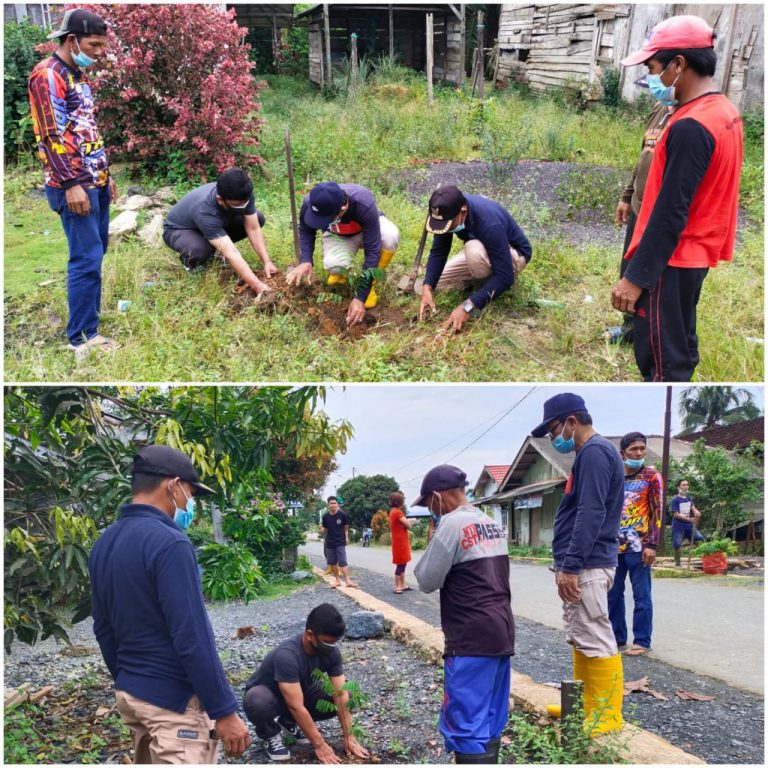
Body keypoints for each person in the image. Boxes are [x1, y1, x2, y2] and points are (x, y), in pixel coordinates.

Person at [88, 445, 251, 763]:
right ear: (173, 485)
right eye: (190, 493)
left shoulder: (104, 543)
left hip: (132, 696)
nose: (190, 504)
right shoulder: (170, 542)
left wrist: (128, 679)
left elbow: (103, 628)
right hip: (171, 705)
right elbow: (191, 636)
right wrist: (225, 711)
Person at [612, 15, 744, 381]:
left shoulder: (690, 126)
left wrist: (636, 278)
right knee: (680, 340)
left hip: (671, 261)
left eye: (653, 67)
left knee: (659, 356)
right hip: (694, 255)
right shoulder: (724, 112)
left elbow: (671, 212)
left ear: (679, 64)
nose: (651, 77)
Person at [530, 393, 625, 735]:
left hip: (587, 565)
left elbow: (591, 512)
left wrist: (570, 566)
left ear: (572, 421)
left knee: (596, 635)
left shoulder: (596, 454)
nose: (554, 438)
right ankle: (587, 705)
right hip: (583, 563)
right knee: (582, 635)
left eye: (554, 428)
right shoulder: (590, 454)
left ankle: (607, 716)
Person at [28, 8, 119, 355]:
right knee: (85, 258)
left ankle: (90, 321)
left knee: (96, 254)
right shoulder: (47, 76)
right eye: (94, 44)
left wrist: (104, 175)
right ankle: (82, 338)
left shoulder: (77, 74)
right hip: (74, 186)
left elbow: (85, 130)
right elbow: (49, 135)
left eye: (101, 44)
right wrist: (70, 184)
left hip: (94, 181)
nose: (99, 51)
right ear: (71, 40)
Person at [413, 465, 514, 764]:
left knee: (466, 723)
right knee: (491, 718)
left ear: (436, 497)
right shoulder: (490, 522)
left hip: (470, 637)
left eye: (428, 504)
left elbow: (426, 580)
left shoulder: (451, 525)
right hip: (501, 632)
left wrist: (434, 536)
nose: (430, 510)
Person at [242, 604, 369, 763]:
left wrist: (349, 735)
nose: (330, 648)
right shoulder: (287, 656)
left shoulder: (331, 651)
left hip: (300, 691)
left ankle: (288, 721)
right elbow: (296, 706)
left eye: (334, 643)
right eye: (326, 643)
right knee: (257, 701)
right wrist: (320, 744)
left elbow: (340, 693)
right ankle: (270, 734)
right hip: (271, 696)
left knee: (348, 693)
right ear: (310, 635)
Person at [285, 182, 400, 327]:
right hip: (339, 235)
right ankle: (341, 273)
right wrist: (306, 260)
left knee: (391, 236)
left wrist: (360, 297)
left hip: (367, 232)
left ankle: (371, 285)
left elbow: (372, 251)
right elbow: (306, 230)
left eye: (325, 218)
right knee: (334, 265)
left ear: (343, 207)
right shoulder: (312, 202)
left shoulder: (363, 201)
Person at [418, 185, 532, 332]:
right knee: (437, 283)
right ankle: (482, 282)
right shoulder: (448, 210)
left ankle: (483, 294)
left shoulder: (489, 223)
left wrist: (467, 306)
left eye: (447, 225)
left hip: (512, 254)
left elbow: (505, 276)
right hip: (481, 248)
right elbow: (439, 251)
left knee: (474, 250)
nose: (444, 229)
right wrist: (427, 287)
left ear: (463, 211)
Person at [607, 99, 673, 345]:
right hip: (638, 206)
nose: (655, 79)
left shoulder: (687, 118)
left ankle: (650, 335)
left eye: (655, 69)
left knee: (653, 275)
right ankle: (631, 329)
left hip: (660, 213)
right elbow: (644, 155)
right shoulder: (659, 109)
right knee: (630, 269)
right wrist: (627, 195)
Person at [163, 168, 276, 296]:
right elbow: (230, 252)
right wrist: (257, 285)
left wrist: (267, 261)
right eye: (237, 204)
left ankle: (213, 246)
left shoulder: (243, 194)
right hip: (180, 230)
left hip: (214, 223)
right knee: (199, 250)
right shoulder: (204, 209)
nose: (243, 206)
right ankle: (191, 264)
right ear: (220, 200)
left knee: (258, 218)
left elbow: (253, 228)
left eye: (245, 203)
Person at [607, 432, 664, 657]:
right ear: (623, 453)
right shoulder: (615, 477)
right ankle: (617, 637)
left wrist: (653, 544)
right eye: (634, 449)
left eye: (642, 448)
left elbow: (658, 510)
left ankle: (642, 640)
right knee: (613, 593)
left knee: (641, 595)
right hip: (614, 547)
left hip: (640, 547)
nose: (639, 453)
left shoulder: (651, 476)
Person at [321, 496, 357, 588]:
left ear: (337, 504)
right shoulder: (325, 517)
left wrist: (346, 537)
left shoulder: (342, 515)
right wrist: (321, 530)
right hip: (329, 542)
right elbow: (324, 528)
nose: (333, 505)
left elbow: (345, 527)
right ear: (328, 505)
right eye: (331, 503)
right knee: (332, 563)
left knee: (343, 562)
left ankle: (348, 581)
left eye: (334, 503)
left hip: (340, 542)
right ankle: (337, 581)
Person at [670, 479, 704, 566]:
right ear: (678, 487)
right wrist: (689, 519)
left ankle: (702, 559)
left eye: (687, 485)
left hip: (689, 525)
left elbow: (693, 507)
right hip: (678, 526)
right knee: (677, 545)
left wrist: (697, 512)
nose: (686, 487)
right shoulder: (675, 500)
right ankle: (677, 563)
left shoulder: (688, 498)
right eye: (683, 485)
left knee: (700, 539)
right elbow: (676, 514)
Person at [388, 491, 413, 594]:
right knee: (401, 564)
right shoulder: (398, 512)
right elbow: (409, 525)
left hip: (399, 541)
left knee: (403, 563)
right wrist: (406, 525)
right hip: (400, 542)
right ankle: (397, 586)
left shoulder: (393, 512)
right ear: (400, 502)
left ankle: (402, 584)